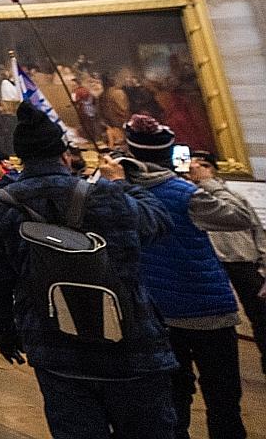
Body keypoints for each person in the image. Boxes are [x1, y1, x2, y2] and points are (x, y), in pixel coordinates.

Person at [0, 102, 178, 439]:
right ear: (64, 155)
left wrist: (4, 329)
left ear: (21, 159)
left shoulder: (0, 206)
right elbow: (158, 223)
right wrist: (121, 183)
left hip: (54, 344)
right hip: (131, 345)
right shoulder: (106, 196)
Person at [122, 115, 254, 439]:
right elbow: (241, 216)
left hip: (159, 311)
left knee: (173, 400)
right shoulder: (184, 193)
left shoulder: (124, 195)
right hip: (207, 310)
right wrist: (208, 180)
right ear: (168, 155)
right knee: (223, 401)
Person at [189, 150, 266, 376]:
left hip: (244, 262)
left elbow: (258, 231)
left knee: (261, 316)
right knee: (217, 319)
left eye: (203, 164)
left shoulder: (232, 196)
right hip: (211, 264)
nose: (198, 169)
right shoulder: (190, 198)